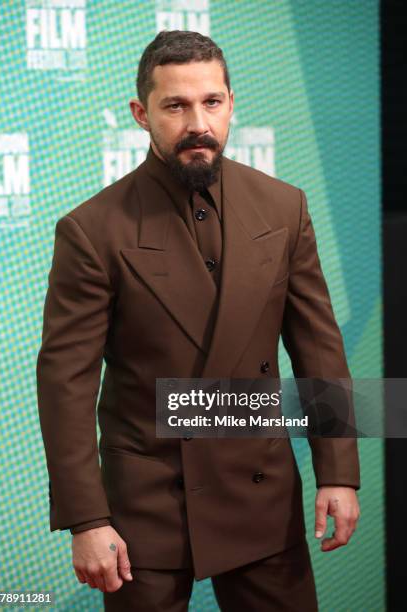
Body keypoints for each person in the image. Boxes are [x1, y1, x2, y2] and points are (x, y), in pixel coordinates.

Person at [36, 30, 360, 611]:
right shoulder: (92, 231)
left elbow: (318, 349)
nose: (198, 123)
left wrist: (338, 472)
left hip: (260, 493)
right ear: (141, 113)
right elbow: (66, 386)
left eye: (211, 102)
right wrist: (86, 518)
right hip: (147, 509)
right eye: (175, 105)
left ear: (231, 102)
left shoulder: (286, 207)